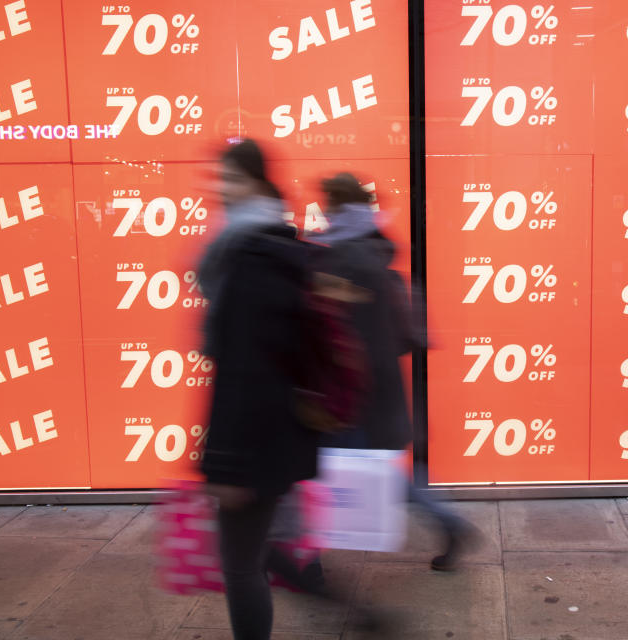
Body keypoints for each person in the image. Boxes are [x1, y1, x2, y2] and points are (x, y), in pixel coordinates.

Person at [311, 172, 476, 571]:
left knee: (324, 470)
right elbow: (407, 338)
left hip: (348, 393)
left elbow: (323, 332)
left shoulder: (334, 259)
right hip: (380, 391)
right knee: (369, 471)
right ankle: (450, 522)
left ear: (335, 208)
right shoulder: (382, 260)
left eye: (326, 205)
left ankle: (305, 558)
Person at [196, 139, 318, 640]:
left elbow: (244, 371)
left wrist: (225, 462)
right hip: (278, 433)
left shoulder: (249, 257)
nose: (219, 187)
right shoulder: (278, 243)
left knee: (241, 566)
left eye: (231, 178)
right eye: (218, 176)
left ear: (256, 184)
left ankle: (344, 602)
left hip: (252, 442)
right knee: (255, 549)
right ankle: (334, 596)